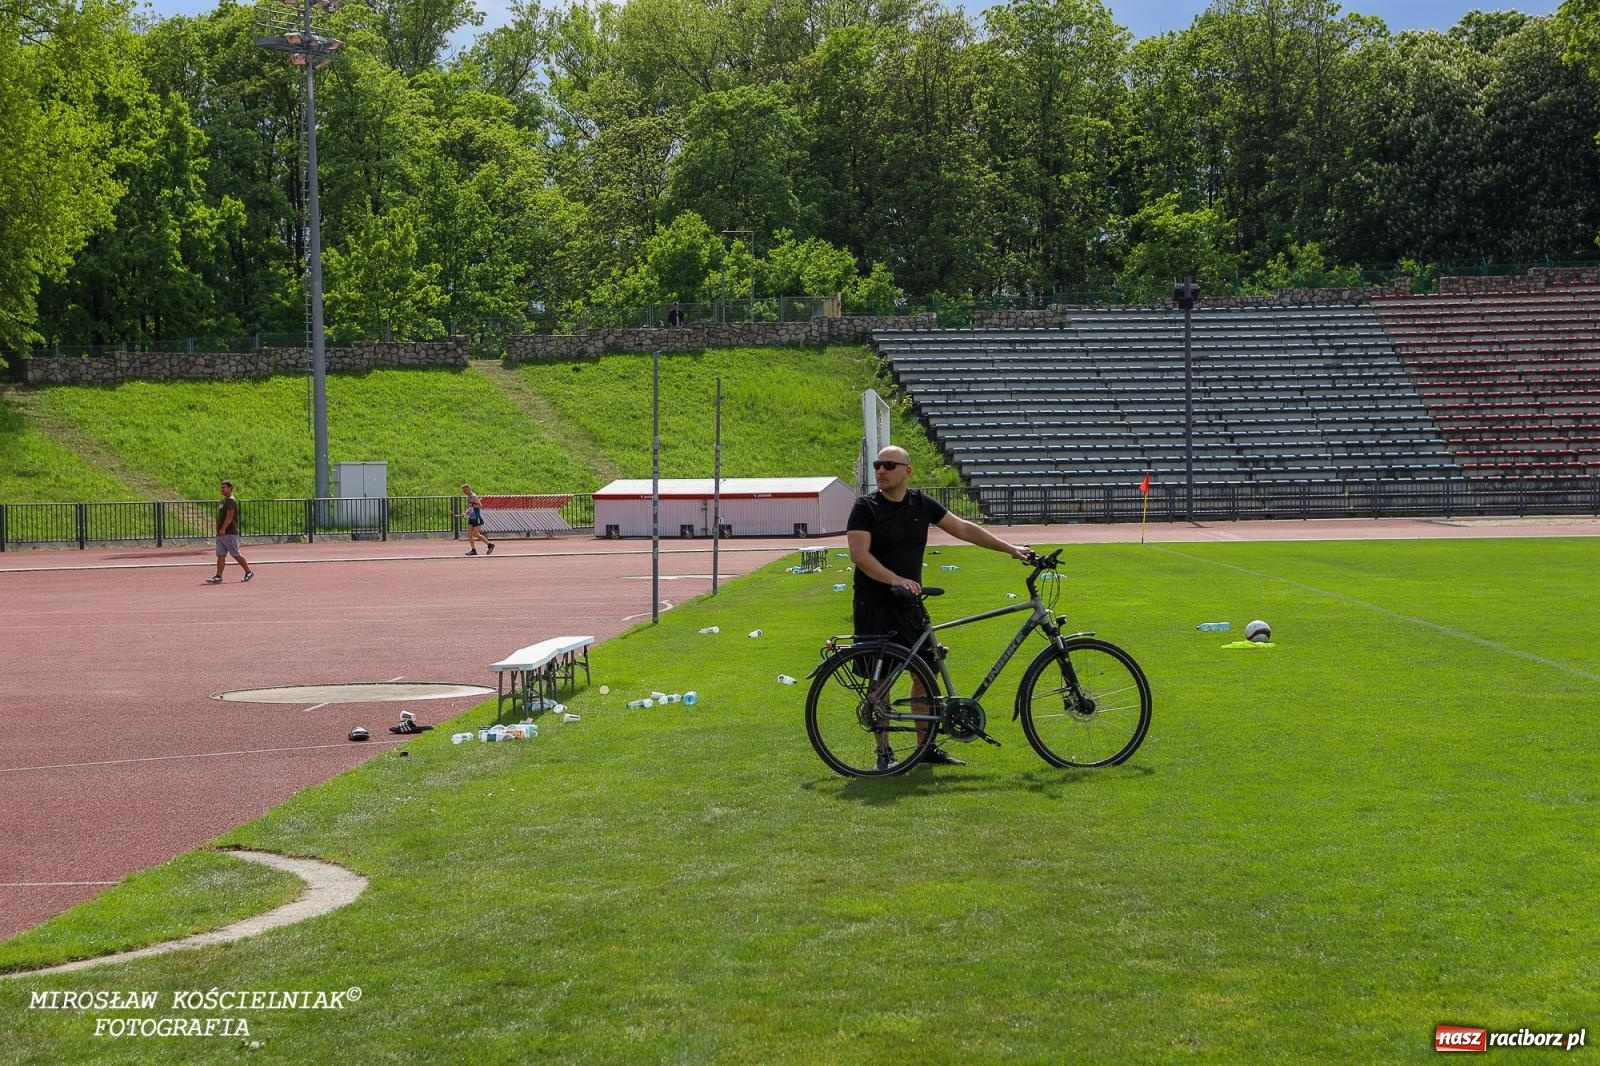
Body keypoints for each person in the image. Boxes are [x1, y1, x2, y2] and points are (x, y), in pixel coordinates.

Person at [848, 445, 1030, 770]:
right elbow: (859, 555)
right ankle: (883, 754)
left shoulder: (920, 504)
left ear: (907, 471)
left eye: (888, 465)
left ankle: (924, 748)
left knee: (926, 674)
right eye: (878, 465)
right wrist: (894, 580)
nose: (880, 471)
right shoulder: (865, 507)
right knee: (881, 681)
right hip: (874, 603)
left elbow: (962, 528)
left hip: (909, 605)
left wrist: (1010, 548)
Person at [209, 481, 254, 584]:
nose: (222, 489)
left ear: (230, 488)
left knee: (235, 554)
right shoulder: (223, 501)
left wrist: (223, 528)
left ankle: (248, 571)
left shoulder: (231, 501)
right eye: (221, 488)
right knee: (220, 555)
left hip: (229, 532)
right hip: (221, 534)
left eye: (224, 487)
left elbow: (230, 517)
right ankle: (218, 576)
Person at [458, 484, 495, 556]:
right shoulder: (468, 497)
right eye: (463, 490)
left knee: (475, 534)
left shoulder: (473, 496)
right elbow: (470, 508)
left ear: (468, 489)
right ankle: (473, 550)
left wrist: (472, 505)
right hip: (471, 518)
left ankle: (490, 545)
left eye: (464, 490)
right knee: (469, 534)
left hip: (477, 518)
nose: (464, 492)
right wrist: (465, 513)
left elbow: (480, 506)